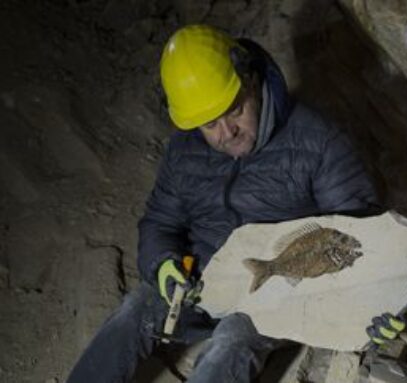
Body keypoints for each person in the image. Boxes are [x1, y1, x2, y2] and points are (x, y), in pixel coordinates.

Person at [67, 24, 386, 383]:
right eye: (209, 124)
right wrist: (163, 265)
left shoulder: (319, 141)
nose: (226, 132)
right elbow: (159, 222)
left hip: (276, 295)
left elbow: (362, 231)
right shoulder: (184, 151)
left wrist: (378, 303)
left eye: (234, 110)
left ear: (250, 80)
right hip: (201, 283)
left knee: (232, 340)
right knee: (135, 308)